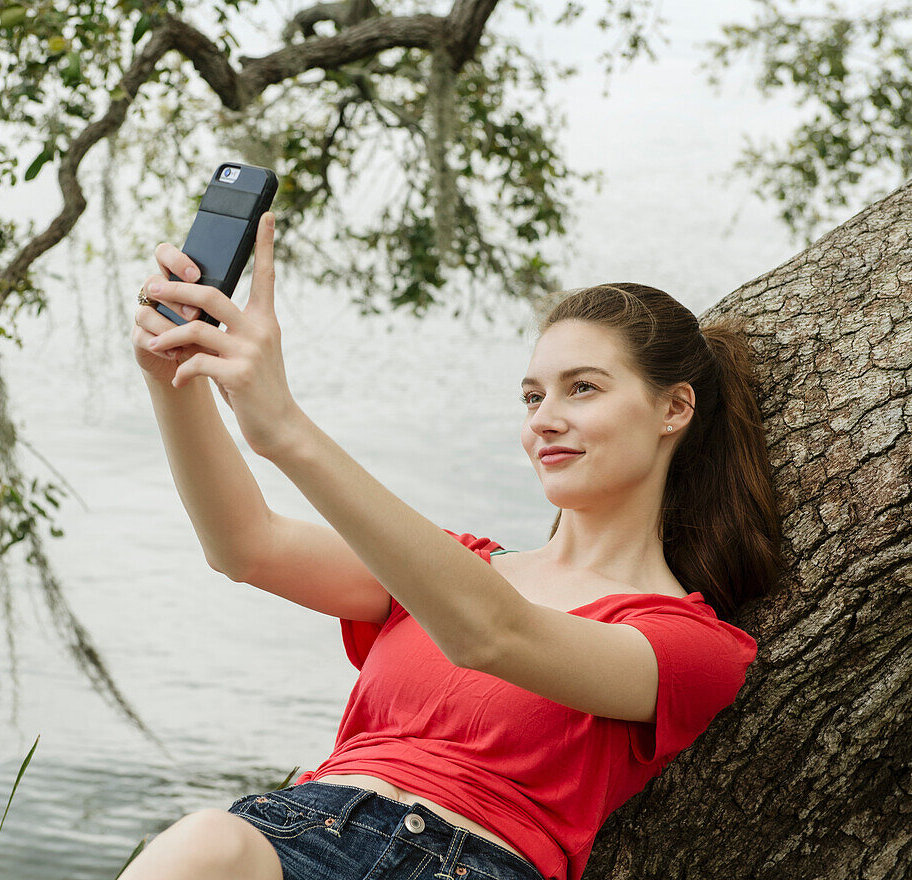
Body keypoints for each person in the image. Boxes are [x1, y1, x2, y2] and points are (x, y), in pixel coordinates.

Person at [121, 211, 784, 880]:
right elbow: (247, 545)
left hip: (470, 865)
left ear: (674, 408)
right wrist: (172, 377)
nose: (544, 420)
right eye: (532, 396)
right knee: (207, 842)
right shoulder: (451, 568)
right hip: (300, 836)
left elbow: (491, 634)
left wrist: (287, 430)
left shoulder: (691, 646)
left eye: (582, 388)